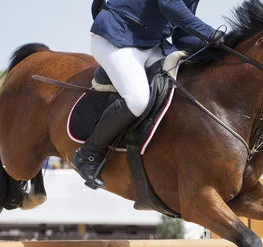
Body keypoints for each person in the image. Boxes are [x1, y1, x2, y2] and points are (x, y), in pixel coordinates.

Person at [73, 0, 224, 189]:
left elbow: (181, 32)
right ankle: (88, 154)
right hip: (116, 37)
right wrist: (209, 33)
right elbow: (169, 4)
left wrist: (216, 46)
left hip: (150, 44)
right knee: (137, 100)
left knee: (183, 86)